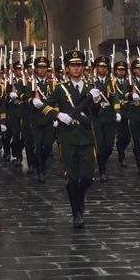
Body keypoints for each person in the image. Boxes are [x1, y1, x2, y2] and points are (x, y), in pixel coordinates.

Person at [44, 49, 98, 229]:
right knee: (72, 178)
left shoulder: (91, 89)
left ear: (83, 67)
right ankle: (76, 212)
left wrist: (97, 102)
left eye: (79, 65)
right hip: (67, 138)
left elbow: (96, 114)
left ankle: (80, 199)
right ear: (67, 68)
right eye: (73, 65)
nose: (76, 69)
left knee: (87, 178)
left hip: (86, 137)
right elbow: (45, 106)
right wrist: (58, 115)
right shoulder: (60, 89)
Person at [88, 55, 117, 183]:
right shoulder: (91, 82)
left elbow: (115, 97)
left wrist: (117, 111)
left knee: (109, 146)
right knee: (99, 144)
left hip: (109, 117)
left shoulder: (112, 82)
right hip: (97, 117)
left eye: (105, 67)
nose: (102, 69)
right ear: (96, 68)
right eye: (100, 66)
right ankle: (102, 169)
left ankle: (102, 163)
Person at [28, 55, 56, 182]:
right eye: (40, 67)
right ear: (36, 69)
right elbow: (23, 97)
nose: (42, 70)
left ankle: (42, 163)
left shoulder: (53, 83)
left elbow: (56, 100)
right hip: (36, 119)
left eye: (45, 67)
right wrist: (31, 100)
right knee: (38, 146)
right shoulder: (30, 83)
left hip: (49, 118)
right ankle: (40, 169)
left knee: (48, 145)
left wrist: (56, 116)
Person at [124, 57, 140, 175]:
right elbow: (122, 95)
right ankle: (139, 163)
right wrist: (130, 95)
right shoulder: (129, 81)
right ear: (133, 70)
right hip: (134, 114)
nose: (139, 70)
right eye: (137, 68)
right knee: (136, 140)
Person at [111, 59, 132, 166]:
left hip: (127, 112)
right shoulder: (112, 83)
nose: (121, 72)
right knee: (119, 135)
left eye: (123, 70)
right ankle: (121, 155)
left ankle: (121, 150)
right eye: (119, 70)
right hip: (115, 112)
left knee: (127, 137)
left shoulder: (129, 82)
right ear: (115, 71)